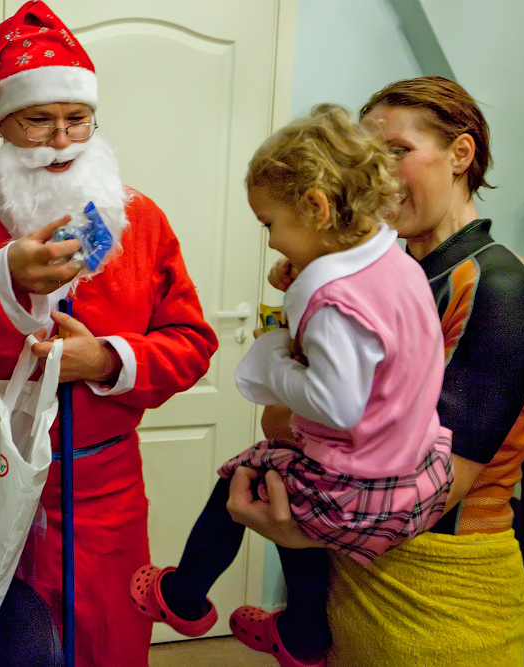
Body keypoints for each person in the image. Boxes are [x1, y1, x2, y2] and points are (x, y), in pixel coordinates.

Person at [0, 2, 217, 664]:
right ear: (2, 120)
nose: (62, 140)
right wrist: (2, 278)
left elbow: (193, 342)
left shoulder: (136, 216)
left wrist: (106, 359)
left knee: (108, 643)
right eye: (38, 121)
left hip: (107, 490)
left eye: (77, 120)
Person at [230, 76, 524, 667]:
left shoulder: (497, 287)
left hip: (439, 594)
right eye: (369, 153)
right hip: (357, 570)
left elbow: (440, 483)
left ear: (461, 155)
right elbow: (299, 417)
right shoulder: (388, 276)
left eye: (399, 151)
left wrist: (299, 529)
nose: (378, 170)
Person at [130, 104, 453, 667]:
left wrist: (272, 356)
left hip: (361, 483)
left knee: (246, 477)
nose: (273, 242)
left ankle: (185, 597)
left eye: (270, 225)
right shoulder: (391, 265)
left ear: (317, 208)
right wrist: (303, 271)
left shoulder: (334, 302)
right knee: (288, 480)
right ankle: (300, 632)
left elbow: (336, 402)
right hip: (414, 468)